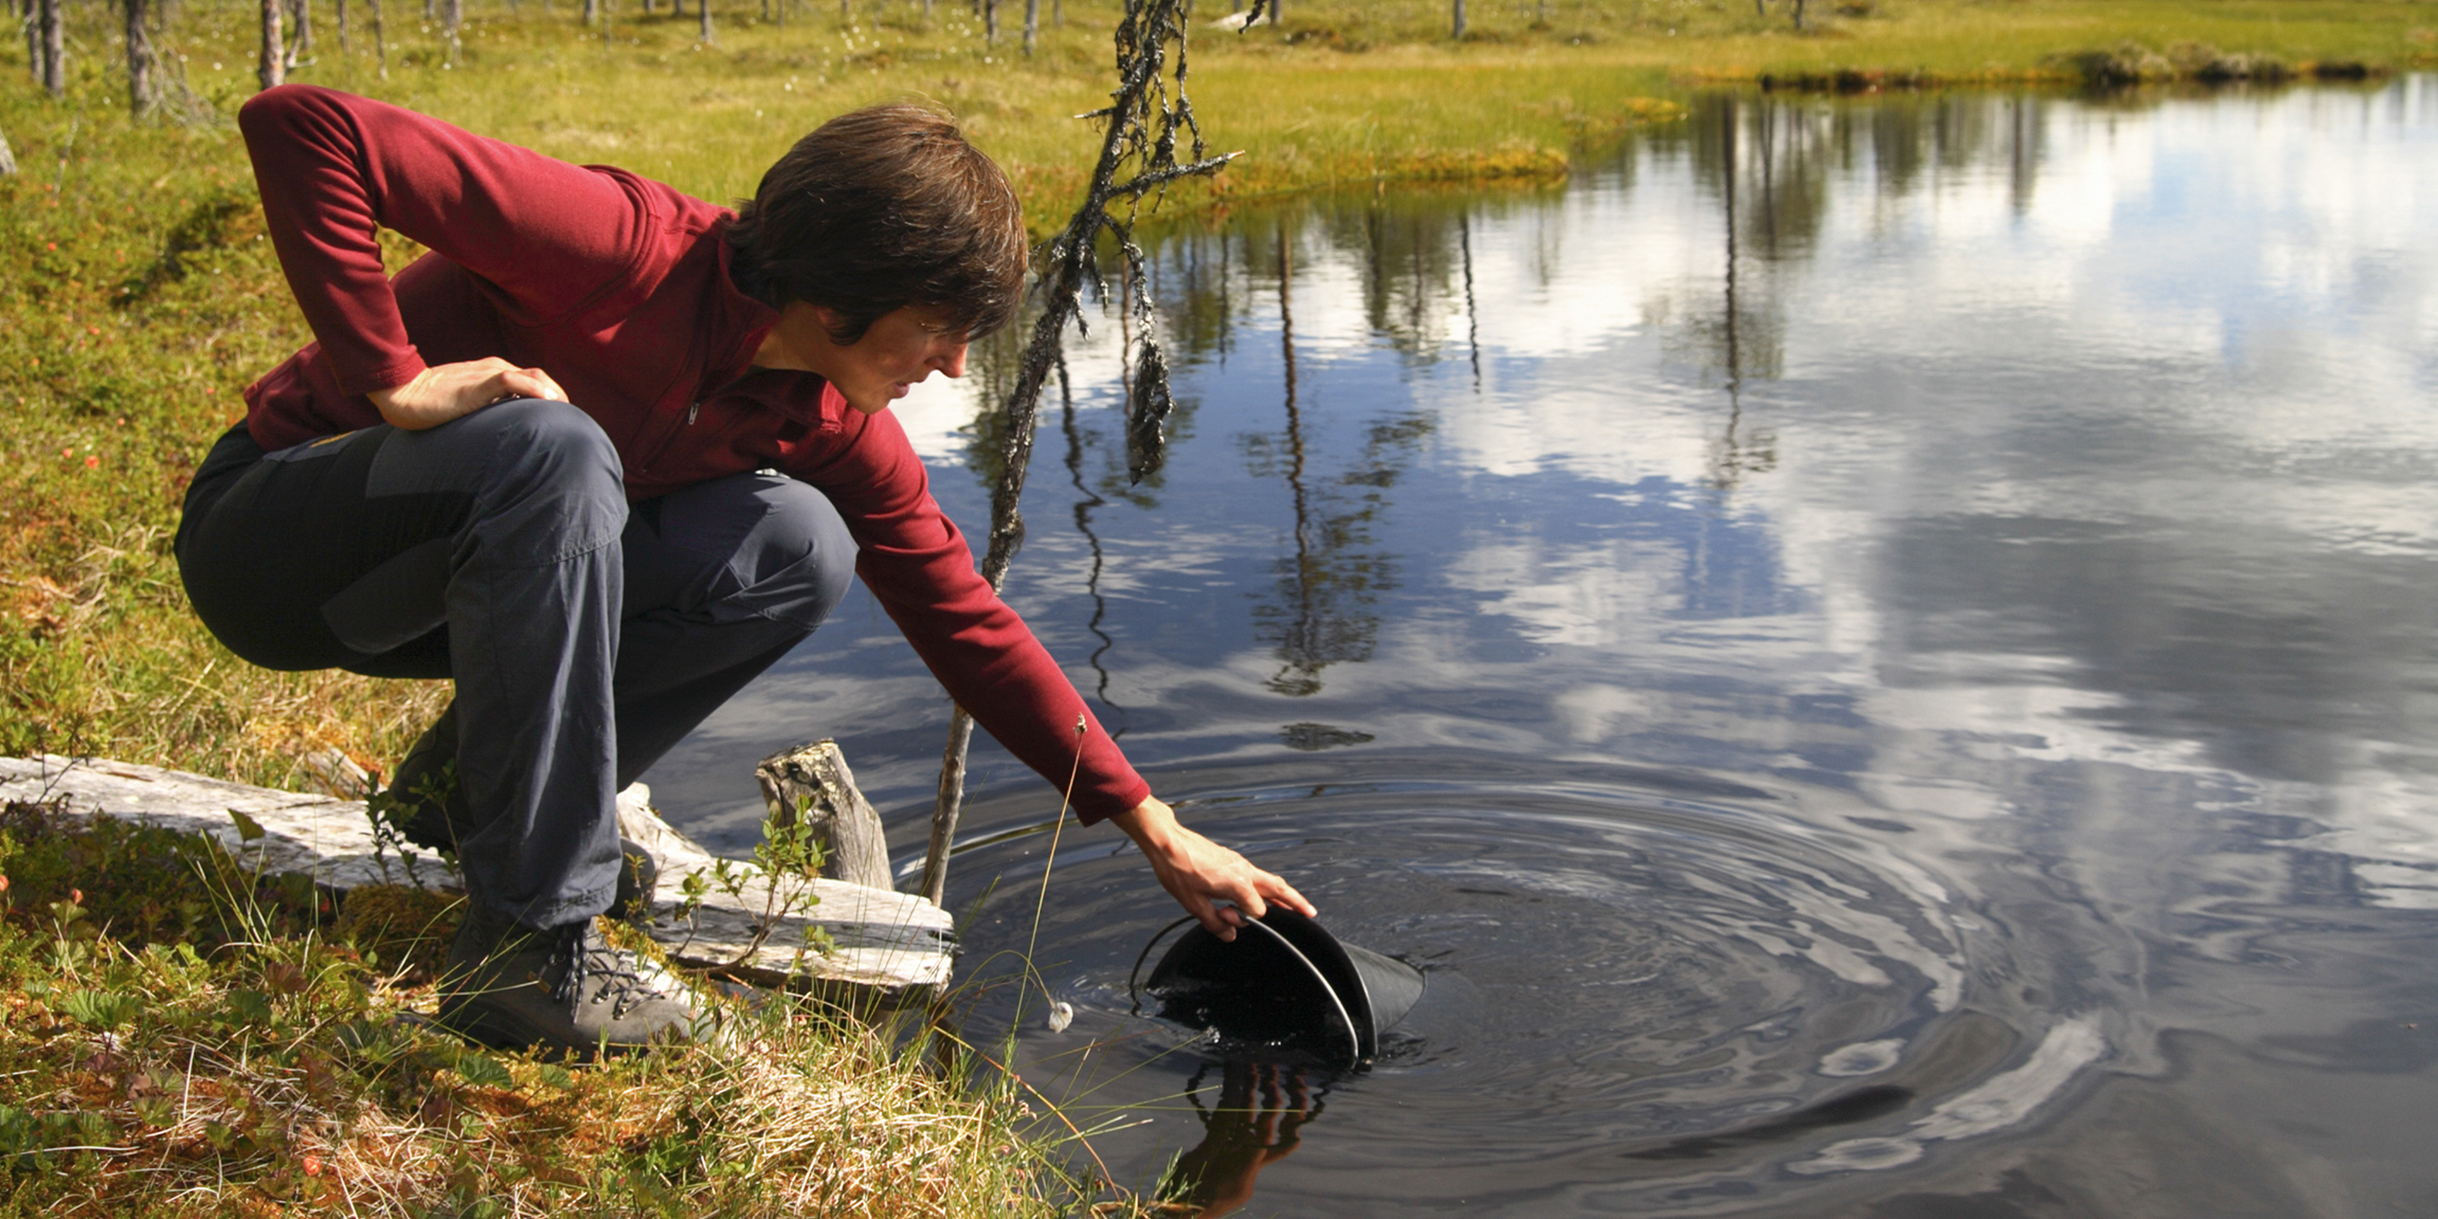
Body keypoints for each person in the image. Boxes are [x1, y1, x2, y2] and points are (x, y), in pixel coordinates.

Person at [176, 84, 1313, 1054]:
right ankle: (530, 951)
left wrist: (1153, 825)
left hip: (459, 586)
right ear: (837, 298)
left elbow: (964, 619)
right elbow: (303, 125)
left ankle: (468, 804)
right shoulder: (618, 247)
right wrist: (396, 380)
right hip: (276, 552)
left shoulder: (820, 415)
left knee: (798, 546)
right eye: (937, 329)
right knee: (555, 448)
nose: (955, 366)